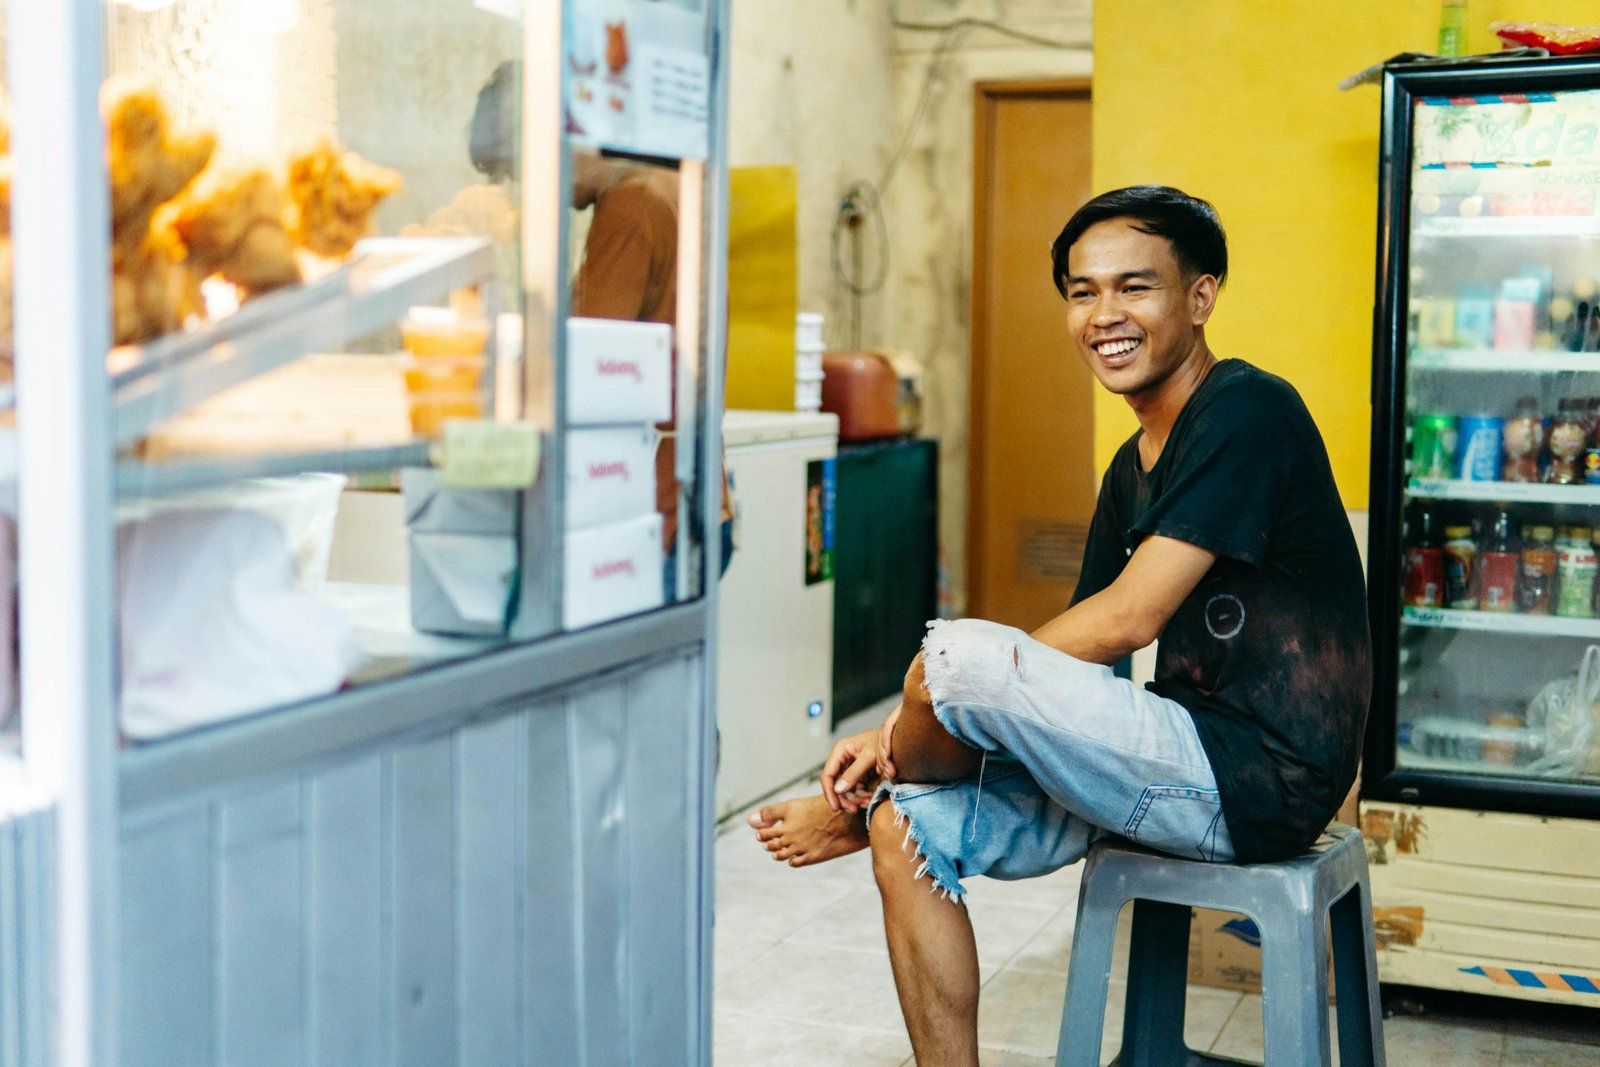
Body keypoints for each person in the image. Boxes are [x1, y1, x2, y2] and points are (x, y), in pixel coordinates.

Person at [748, 185, 1371, 1064]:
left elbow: (1127, 617)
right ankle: (877, 817)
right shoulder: (1132, 466)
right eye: (1083, 292)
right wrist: (940, 716)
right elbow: (1077, 673)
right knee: (908, 824)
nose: (1103, 315)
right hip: (1177, 753)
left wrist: (908, 710)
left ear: (1201, 296)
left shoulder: (1246, 409)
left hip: (1261, 778)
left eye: (1134, 287)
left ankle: (859, 796)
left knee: (949, 656)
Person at [469, 60, 735, 596]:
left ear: (561, 134)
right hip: (699, 498)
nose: (532, 191)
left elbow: (583, 371)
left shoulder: (630, 206)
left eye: (523, 168)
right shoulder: (676, 186)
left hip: (645, 511)